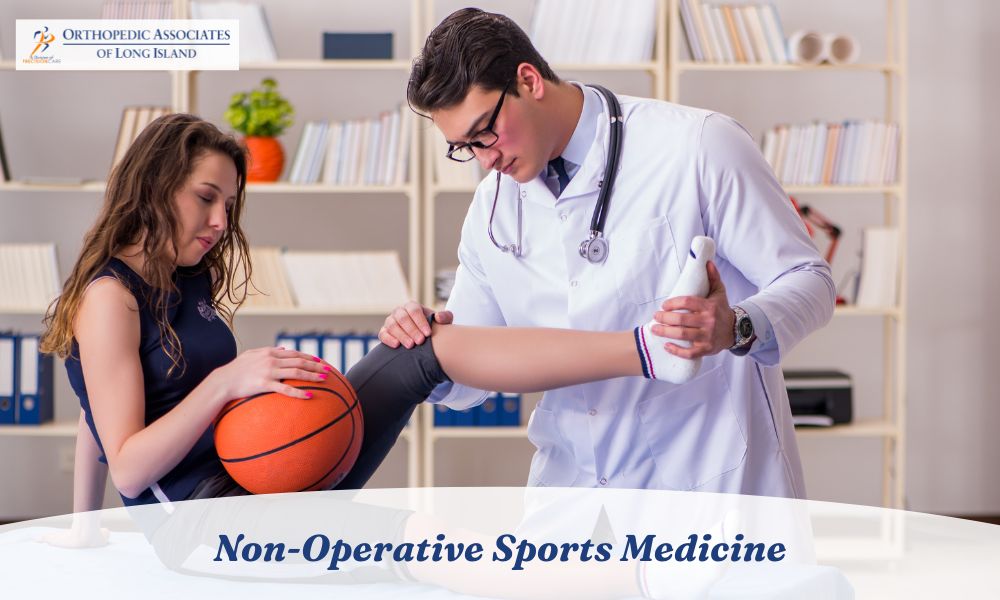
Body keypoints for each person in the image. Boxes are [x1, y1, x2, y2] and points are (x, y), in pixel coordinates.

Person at [39, 113, 703, 522]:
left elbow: (97, 421)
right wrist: (228, 381)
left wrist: (80, 529)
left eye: (230, 205)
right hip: (206, 519)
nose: (220, 222)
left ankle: (647, 350)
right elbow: (126, 463)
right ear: (154, 186)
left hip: (259, 480)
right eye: (205, 198)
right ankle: (647, 351)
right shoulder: (109, 298)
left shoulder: (184, 279)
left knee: (425, 342)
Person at [382, 8, 836, 497]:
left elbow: (811, 279)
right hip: (572, 492)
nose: (485, 160)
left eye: (485, 132)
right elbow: (471, 378)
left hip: (710, 483)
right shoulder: (492, 207)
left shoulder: (697, 144)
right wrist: (426, 346)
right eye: (465, 147)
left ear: (529, 80)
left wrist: (738, 325)